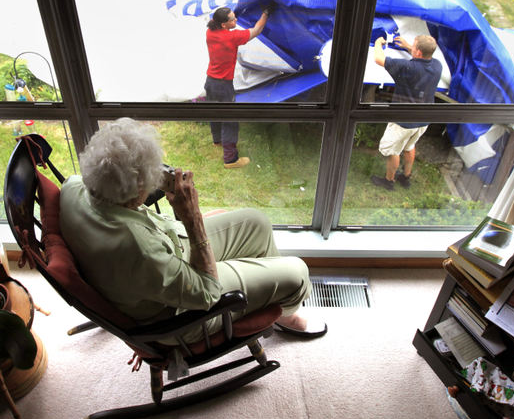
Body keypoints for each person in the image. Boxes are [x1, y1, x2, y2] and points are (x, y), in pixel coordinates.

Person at [58, 118, 326, 343]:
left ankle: (275, 302)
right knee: (298, 273)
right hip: (179, 313)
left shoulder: (73, 186)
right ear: (137, 191)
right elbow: (209, 292)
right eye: (150, 179)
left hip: (161, 259)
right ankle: (279, 301)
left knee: (257, 223)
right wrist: (193, 217)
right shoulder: (139, 249)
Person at [370, 33, 442, 190]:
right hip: (423, 120)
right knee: (410, 146)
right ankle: (406, 177)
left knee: (393, 150)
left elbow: (378, 59)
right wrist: (408, 46)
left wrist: (377, 43)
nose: (412, 46)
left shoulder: (408, 67)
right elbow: (423, 58)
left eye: (414, 46)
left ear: (418, 52)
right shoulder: (437, 66)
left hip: (403, 120)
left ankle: (389, 181)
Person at [205, 6, 269, 168]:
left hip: (211, 81)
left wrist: (231, 14)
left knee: (214, 111)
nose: (236, 20)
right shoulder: (231, 37)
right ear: (224, 25)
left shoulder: (210, 32)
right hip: (223, 85)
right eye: (233, 19)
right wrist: (266, 13)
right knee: (230, 120)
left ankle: (217, 141)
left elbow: (217, 19)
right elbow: (257, 29)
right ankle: (230, 159)